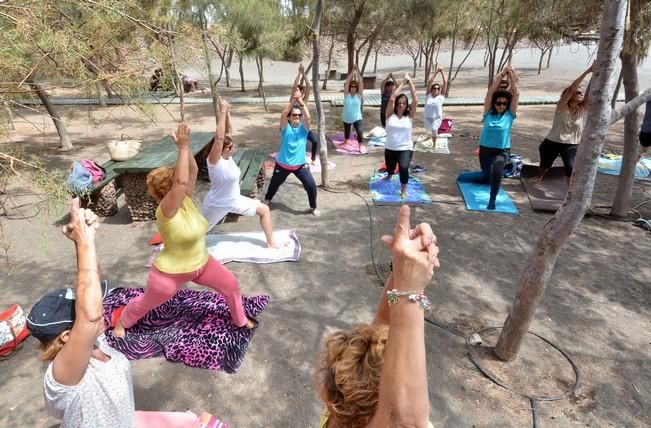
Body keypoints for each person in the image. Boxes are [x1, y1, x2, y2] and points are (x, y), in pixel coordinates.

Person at [26, 199, 225, 428]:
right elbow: (89, 317)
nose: (100, 310)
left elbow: (94, 286)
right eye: (80, 316)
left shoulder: (96, 342)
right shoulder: (63, 375)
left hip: (127, 422)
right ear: (66, 337)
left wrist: (83, 240)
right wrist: (84, 242)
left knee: (201, 423)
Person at [113, 122, 256, 338]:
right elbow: (180, 182)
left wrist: (186, 146)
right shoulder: (166, 210)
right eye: (177, 182)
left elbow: (193, 170)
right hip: (169, 275)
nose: (184, 182)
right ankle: (122, 322)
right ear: (168, 189)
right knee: (145, 304)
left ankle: (240, 320)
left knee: (231, 285)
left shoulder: (185, 200)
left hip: (202, 264)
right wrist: (181, 148)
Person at [315, 205, 439, 428]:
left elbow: (401, 419)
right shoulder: (351, 414)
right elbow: (400, 420)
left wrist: (407, 281)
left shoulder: (340, 409)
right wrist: (407, 280)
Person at [201, 98, 282, 248]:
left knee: (264, 210)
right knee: (198, 233)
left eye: (232, 146)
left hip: (234, 199)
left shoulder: (228, 157)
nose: (233, 148)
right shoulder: (214, 161)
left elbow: (228, 132)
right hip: (217, 203)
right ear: (220, 149)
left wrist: (228, 112)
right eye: (229, 147)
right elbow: (219, 138)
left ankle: (271, 242)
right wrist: (222, 111)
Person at [264, 88, 320, 216]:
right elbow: (283, 115)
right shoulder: (285, 129)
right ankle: (267, 199)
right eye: (294, 115)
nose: (297, 117)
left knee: (311, 186)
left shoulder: (303, 130)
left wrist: (300, 101)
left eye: (299, 115)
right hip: (282, 165)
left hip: (300, 166)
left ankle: (313, 207)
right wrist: (292, 101)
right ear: (289, 118)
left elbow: (309, 118)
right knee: (274, 184)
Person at [534, 64, 593, 185]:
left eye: (581, 92)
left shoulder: (582, 109)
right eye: (578, 92)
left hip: (571, 144)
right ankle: (539, 176)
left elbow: (592, 90)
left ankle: (569, 192)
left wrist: (596, 72)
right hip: (552, 141)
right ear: (569, 95)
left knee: (571, 167)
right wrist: (588, 71)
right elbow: (571, 88)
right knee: (545, 164)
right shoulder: (562, 106)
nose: (581, 93)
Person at [477, 64, 520, 210]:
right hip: (485, 149)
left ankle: (492, 199)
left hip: (502, 150)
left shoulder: (509, 115)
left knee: (497, 172)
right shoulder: (488, 113)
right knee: (486, 171)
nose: (501, 105)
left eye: (504, 103)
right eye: (498, 103)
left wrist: (512, 75)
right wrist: (502, 74)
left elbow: (516, 94)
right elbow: (490, 93)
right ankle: (486, 178)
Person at [384, 73, 418, 199]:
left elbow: (415, 100)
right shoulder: (389, 116)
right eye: (400, 103)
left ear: (406, 105)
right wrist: (403, 83)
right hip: (390, 147)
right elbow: (392, 97)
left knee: (403, 167)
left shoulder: (409, 117)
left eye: (404, 103)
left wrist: (410, 83)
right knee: (390, 169)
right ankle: (389, 174)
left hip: (405, 148)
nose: (401, 105)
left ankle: (403, 189)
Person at [292, 63, 319, 166]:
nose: (300, 93)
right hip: (295, 128)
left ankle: (313, 160)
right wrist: (299, 73)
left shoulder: (304, 101)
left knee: (315, 141)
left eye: (301, 91)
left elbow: (308, 87)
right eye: (298, 91)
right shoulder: (293, 100)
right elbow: (295, 85)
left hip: (305, 128)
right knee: (297, 144)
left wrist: (304, 74)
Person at [342, 65, 367, 154]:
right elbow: (347, 81)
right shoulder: (346, 94)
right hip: (346, 117)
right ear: (349, 87)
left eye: (355, 86)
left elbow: (361, 82)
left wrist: (357, 71)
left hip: (357, 117)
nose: (353, 87)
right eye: (351, 86)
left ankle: (360, 145)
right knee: (347, 131)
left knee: (359, 131)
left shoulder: (359, 95)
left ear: (356, 88)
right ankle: (346, 140)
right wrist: (352, 71)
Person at [424, 67, 448, 146]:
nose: (436, 89)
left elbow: (445, 83)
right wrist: (436, 72)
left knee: (434, 129)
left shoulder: (441, 97)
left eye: (438, 88)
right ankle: (429, 136)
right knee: (428, 130)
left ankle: (434, 144)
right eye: (434, 88)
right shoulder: (428, 95)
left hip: (437, 117)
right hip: (427, 117)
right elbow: (430, 81)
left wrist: (442, 72)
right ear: (431, 89)